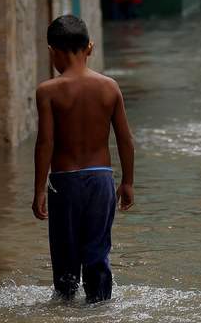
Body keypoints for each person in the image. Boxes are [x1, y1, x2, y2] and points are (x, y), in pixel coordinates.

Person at [31, 15, 136, 303]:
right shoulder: (110, 87)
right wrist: (127, 182)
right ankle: (100, 304)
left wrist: (40, 189)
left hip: (63, 182)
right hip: (101, 179)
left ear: (52, 51)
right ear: (89, 48)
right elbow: (126, 140)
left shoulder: (47, 91)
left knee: (65, 253)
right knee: (97, 250)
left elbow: (45, 143)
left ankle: (64, 304)